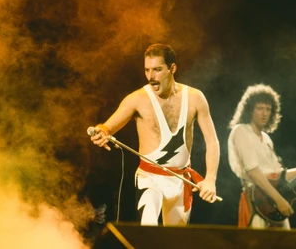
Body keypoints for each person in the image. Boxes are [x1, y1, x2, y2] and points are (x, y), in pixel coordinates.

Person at [90, 43, 220, 226]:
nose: (151, 76)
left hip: (180, 180)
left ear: (172, 68)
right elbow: (107, 127)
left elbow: (212, 141)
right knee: (148, 230)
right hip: (149, 180)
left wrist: (210, 180)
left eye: (157, 69)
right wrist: (100, 132)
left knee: (176, 242)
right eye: (147, 70)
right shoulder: (137, 99)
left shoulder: (195, 98)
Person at [228, 84, 296, 229]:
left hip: (273, 204)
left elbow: (279, 177)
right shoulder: (241, 131)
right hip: (257, 201)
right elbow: (253, 172)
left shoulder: (266, 139)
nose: (264, 113)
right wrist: (279, 200)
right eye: (260, 108)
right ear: (250, 110)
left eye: (268, 109)